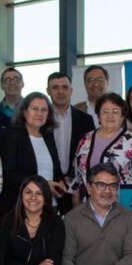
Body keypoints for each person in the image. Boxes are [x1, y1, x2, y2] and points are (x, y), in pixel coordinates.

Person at [68, 92, 132, 223]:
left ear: (123, 116)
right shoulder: (85, 139)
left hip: (122, 203)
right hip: (89, 205)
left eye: (115, 111)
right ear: (98, 115)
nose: (110, 115)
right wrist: (75, 199)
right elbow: (77, 173)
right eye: (105, 111)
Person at [0, 92, 68, 216]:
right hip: (20, 207)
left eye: (44, 110)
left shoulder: (48, 136)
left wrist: (61, 182)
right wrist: (42, 185)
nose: (39, 113)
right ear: (25, 112)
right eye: (35, 109)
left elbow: (56, 171)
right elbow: (8, 175)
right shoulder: (12, 135)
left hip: (49, 205)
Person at [47, 71, 95, 209]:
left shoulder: (85, 120)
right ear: (48, 91)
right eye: (55, 87)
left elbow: (88, 155)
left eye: (64, 87)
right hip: (48, 186)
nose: (60, 91)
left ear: (71, 90)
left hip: (77, 187)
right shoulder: (41, 120)